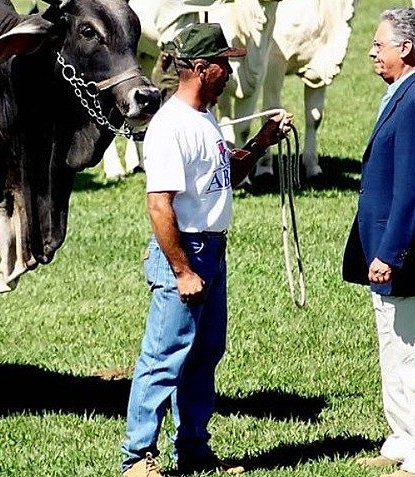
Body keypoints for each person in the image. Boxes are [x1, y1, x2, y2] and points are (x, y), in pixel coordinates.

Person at [120, 23, 293, 477]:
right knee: (163, 356)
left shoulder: (205, 118)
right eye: (223, 65)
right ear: (199, 68)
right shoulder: (171, 127)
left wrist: (259, 144)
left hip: (211, 251)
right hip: (187, 253)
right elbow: (159, 204)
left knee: (204, 354)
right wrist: (181, 270)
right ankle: (137, 458)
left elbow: (223, 178)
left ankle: (193, 449)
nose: (229, 75)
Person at [342, 8, 415, 477]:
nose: (372, 51)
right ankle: (404, 440)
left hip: (411, 255)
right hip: (390, 251)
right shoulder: (406, 92)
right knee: (395, 349)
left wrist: (391, 252)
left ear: (406, 48)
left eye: (379, 44)